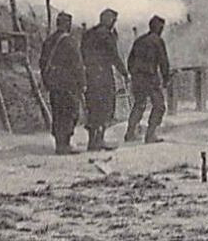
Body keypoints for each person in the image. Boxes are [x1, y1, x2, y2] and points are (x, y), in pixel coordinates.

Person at [81, 9, 129, 151]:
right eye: (113, 20)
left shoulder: (88, 34)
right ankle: (99, 141)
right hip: (103, 76)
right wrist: (125, 73)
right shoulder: (107, 35)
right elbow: (114, 56)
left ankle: (92, 141)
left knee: (93, 107)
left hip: (90, 75)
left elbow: (82, 52)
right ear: (109, 20)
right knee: (105, 107)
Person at [39, 12, 85, 154]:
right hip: (68, 84)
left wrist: (47, 80)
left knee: (58, 112)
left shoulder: (49, 40)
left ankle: (60, 144)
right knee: (70, 112)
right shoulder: (69, 41)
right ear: (67, 24)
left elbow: (42, 62)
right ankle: (64, 144)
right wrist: (82, 83)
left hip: (54, 84)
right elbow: (77, 64)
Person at [125, 15, 173, 144]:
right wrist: (166, 78)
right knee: (159, 106)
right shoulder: (158, 41)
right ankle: (150, 135)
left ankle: (129, 133)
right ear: (159, 28)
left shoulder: (139, 40)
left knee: (139, 105)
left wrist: (133, 74)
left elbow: (130, 60)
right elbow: (164, 62)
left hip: (137, 78)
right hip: (150, 78)